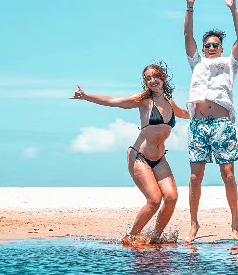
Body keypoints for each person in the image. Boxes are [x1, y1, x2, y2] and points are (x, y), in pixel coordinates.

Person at [72, 63, 189, 243]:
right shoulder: (143, 100)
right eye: (147, 79)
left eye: (155, 76)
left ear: (163, 78)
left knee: (172, 198)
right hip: (139, 157)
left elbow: (187, 114)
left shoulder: (169, 102)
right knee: (154, 200)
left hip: (159, 158)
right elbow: (113, 101)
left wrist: (211, 111)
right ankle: (131, 237)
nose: (152, 81)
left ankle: (155, 238)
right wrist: (87, 97)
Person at [183, 0, 238, 242]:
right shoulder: (196, 63)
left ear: (221, 48)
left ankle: (235, 224)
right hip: (198, 125)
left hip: (222, 124)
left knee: (228, 175)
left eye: (214, 46)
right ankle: (194, 225)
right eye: (207, 45)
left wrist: (234, 10)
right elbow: (187, 36)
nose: (210, 49)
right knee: (196, 177)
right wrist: (190, 6)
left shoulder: (230, 64)